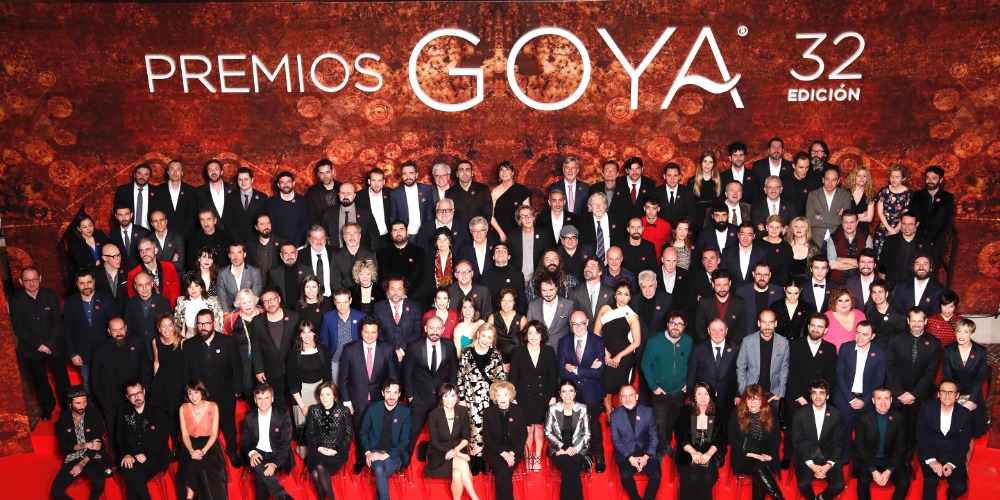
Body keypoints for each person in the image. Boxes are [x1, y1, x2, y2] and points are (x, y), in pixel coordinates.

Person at [181, 310, 243, 468]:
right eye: (200, 323)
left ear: (214, 323)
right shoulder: (189, 345)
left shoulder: (228, 342)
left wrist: (236, 389)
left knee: (228, 426)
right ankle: (207, 453)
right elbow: (186, 372)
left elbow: (237, 367)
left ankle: (232, 452)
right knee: (204, 429)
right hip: (201, 398)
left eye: (207, 323)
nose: (203, 327)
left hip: (225, 394)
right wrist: (189, 395)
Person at [340, 316, 401, 474]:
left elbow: (393, 377)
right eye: (366, 332)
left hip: (380, 400)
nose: (370, 335)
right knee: (361, 429)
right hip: (357, 399)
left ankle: (379, 458)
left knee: (379, 429)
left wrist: (392, 399)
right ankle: (361, 459)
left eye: (373, 332)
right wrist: (346, 401)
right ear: (361, 332)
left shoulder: (387, 349)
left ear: (378, 332)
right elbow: (343, 378)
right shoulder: (350, 349)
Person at [11, 266, 71, 421]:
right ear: (20, 281)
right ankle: (47, 407)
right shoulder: (15, 301)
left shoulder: (50, 295)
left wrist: (48, 344)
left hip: (54, 346)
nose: (32, 283)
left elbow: (56, 322)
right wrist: (39, 345)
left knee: (62, 378)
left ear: (40, 279)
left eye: (34, 279)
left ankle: (67, 406)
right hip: (32, 349)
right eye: (27, 280)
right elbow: (18, 328)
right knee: (40, 381)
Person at [886, 307, 941, 466]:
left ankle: (906, 462)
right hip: (896, 393)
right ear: (908, 321)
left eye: (920, 321)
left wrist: (914, 394)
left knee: (912, 429)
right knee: (892, 427)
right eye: (913, 321)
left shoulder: (934, 343)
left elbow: (930, 373)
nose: (916, 324)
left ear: (925, 321)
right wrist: (900, 392)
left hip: (919, 395)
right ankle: (889, 458)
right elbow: (890, 367)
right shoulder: (895, 338)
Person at [90, 317, 151, 457]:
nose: (119, 333)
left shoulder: (138, 343)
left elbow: (146, 370)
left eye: (121, 329)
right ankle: (117, 461)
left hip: (136, 399)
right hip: (112, 401)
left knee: (139, 431)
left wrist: (143, 394)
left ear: (126, 328)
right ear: (109, 331)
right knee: (115, 434)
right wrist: (106, 402)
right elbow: (95, 379)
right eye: (115, 330)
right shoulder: (100, 350)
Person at [783, 313, 838, 469]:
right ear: (808, 327)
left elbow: (830, 376)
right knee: (792, 427)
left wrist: (820, 398)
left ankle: (812, 456)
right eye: (813, 325)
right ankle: (787, 455)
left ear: (825, 330)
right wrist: (798, 396)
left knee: (815, 429)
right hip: (796, 395)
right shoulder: (794, 344)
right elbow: (788, 372)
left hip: (818, 398)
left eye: (820, 326)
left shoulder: (830, 348)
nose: (815, 329)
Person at [557, 311, 607, 472]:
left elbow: (598, 372)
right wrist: (587, 369)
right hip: (571, 393)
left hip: (592, 391)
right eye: (575, 324)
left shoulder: (598, 341)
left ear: (587, 322)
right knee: (574, 426)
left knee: (593, 425)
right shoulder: (563, 342)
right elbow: (562, 371)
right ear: (570, 325)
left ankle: (599, 456)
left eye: (582, 323)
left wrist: (575, 369)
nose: (578, 327)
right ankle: (581, 456)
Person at [403, 316, 459, 457]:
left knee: (441, 434)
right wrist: (410, 395)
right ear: (425, 328)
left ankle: (440, 463)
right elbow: (407, 372)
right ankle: (403, 462)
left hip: (441, 399)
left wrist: (450, 394)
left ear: (443, 329)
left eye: (438, 328)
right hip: (418, 398)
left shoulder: (449, 345)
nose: (435, 331)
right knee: (412, 433)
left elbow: (454, 370)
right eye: (432, 328)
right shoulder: (414, 346)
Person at [832, 321, 887, 462]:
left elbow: (879, 381)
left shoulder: (880, 354)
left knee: (864, 435)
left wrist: (864, 400)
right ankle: (843, 460)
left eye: (865, 334)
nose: (860, 337)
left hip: (866, 402)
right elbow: (839, 375)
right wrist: (851, 399)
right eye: (857, 333)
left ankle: (859, 462)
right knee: (843, 432)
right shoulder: (846, 348)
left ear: (872, 336)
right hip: (845, 399)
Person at [508, 320, 558, 472]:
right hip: (524, 396)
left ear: (542, 335)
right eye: (530, 333)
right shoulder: (518, 352)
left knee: (540, 428)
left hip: (543, 397)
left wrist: (553, 397)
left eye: (537, 333)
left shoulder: (549, 351)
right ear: (526, 335)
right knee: (528, 429)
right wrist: (513, 398)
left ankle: (537, 456)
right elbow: (513, 377)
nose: (533, 336)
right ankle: (528, 455)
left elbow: (553, 376)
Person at [640, 311, 691, 455]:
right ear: (667, 324)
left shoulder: (688, 341)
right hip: (660, 392)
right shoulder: (654, 341)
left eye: (680, 324)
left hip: (679, 392)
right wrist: (654, 386)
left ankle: (667, 443)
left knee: (672, 421)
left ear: (684, 327)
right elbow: (645, 364)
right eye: (673, 323)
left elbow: (692, 363)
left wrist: (689, 382)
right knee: (659, 423)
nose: (676, 327)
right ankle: (659, 449)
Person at [65, 269, 122, 395]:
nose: (86, 286)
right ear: (77, 284)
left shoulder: (106, 299)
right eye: (82, 283)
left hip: (106, 350)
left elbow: (115, 326)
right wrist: (73, 353)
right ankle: (92, 406)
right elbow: (68, 330)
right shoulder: (70, 302)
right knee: (87, 382)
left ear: (94, 282)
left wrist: (115, 349)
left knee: (110, 380)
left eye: (89, 282)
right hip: (83, 353)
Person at [457, 323, 506, 468]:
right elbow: (461, 376)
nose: (485, 340)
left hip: (491, 399)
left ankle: (486, 458)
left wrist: (501, 398)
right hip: (471, 399)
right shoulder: (467, 352)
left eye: (489, 337)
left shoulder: (496, 354)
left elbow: (501, 377)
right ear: (478, 334)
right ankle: (475, 458)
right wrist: (461, 398)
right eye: (483, 335)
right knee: (474, 429)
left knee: (489, 429)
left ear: (493, 339)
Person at [50, 386, 111, 500]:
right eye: (78, 403)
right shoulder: (64, 417)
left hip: (92, 456)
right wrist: (86, 444)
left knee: (99, 483)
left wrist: (81, 463)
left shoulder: (94, 413)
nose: (82, 406)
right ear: (70, 403)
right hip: (72, 457)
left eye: (84, 402)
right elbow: (63, 447)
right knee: (56, 492)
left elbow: (97, 445)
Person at [916, 380, 972, 500]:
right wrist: (931, 460)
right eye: (943, 392)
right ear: (938, 394)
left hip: (953, 454)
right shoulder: (926, 407)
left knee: (960, 488)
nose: (947, 395)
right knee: (931, 481)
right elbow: (921, 435)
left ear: (957, 395)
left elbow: (964, 443)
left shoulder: (965, 414)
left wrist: (952, 464)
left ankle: (950, 494)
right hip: (930, 452)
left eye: (951, 392)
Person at [852, 386, 910, 500]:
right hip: (868, 459)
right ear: (873, 400)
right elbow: (860, 446)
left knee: (904, 481)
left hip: (890, 459)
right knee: (863, 481)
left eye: (886, 398)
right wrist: (873, 470)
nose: (883, 402)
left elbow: (900, 447)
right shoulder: (863, 418)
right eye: (879, 398)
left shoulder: (899, 418)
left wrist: (889, 471)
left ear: (891, 400)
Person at [728, 384, 784, 500]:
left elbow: (776, 438)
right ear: (745, 400)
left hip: (765, 454)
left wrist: (771, 456)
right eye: (749, 399)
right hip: (744, 455)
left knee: (760, 472)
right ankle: (779, 498)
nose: (753, 402)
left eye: (756, 399)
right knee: (760, 466)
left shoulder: (771, 412)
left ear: (762, 400)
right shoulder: (736, 413)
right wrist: (749, 453)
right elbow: (732, 440)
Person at [792, 379, 845, 500]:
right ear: (810, 396)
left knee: (838, 485)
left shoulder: (836, 413)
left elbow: (838, 442)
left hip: (828, 454)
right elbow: (797, 442)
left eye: (822, 393)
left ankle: (821, 498)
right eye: (814, 393)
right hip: (806, 455)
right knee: (803, 484)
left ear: (827, 396)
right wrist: (812, 466)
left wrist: (828, 465)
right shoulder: (800, 413)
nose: (818, 396)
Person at [360, 378, 412, 500]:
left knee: (380, 472)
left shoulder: (405, 412)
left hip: (395, 453)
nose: (391, 396)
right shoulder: (373, 408)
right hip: (374, 451)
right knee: (380, 469)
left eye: (395, 393)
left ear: (399, 394)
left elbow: (404, 440)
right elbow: (363, 432)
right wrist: (368, 453)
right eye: (388, 392)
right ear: (383, 393)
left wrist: (385, 455)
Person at [595, 279, 642, 414]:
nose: (622, 298)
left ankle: (622, 416)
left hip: (625, 357)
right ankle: (610, 415)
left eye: (626, 295)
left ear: (630, 297)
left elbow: (637, 342)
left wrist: (619, 356)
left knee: (623, 388)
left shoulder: (631, 316)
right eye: (620, 294)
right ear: (615, 294)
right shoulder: (605, 309)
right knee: (606, 386)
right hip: (606, 354)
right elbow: (596, 332)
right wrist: (604, 352)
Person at [176, 380, 228, 500]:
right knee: (193, 464)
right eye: (190, 393)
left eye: (196, 392)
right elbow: (185, 435)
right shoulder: (183, 408)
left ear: (202, 392)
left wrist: (203, 451)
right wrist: (191, 451)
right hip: (191, 445)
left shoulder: (213, 406)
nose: (193, 396)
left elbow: (214, 434)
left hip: (210, 445)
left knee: (203, 466)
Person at [117, 380, 169, 500]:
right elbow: (121, 437)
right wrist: (126, 454)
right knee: (127, 467)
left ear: (144, 392)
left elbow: (163, 438)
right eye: (132, 395)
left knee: (132, 480)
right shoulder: (124, 411)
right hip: (133, 455)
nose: (137, 397)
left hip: (155, 455)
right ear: (127, 397)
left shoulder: (156, 410)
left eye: (139, 393)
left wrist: (147, 454)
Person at [241, 384, 294, 500]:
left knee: (260, 477)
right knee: (257, 463)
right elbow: (245, 442)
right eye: (260, 398)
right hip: (258, 453)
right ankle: (283, 496)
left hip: (277, 454)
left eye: (267, 398)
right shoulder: (249, 417)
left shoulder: (282, 415)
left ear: (272, 399)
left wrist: (274, 463)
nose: (263, 402)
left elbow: (286, 443)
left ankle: (282, 495)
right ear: (255, 400)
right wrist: (252, 453)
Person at [287, 320, 332, 457]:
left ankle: (320, 454)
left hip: (321, 393)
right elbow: (292, 382)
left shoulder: (324, 350)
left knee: (322, 426)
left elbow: (328, 376)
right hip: (302, 394)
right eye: (303, 332)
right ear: (299, 335)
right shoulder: (294, 353)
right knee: (303, 429)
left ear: (314, 333)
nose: (307, 335)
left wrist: (327, 398)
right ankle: (305, 456)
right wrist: (302, 406)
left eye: (310, 332)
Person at [426, 383, 478, 500]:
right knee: (463, 463)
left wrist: (456, 450)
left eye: (452, 396)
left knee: (457, 474)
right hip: (439, 453)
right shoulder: (434, 415)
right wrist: (459, 454)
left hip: (457, 448)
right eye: (446, 396)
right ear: (441, 397)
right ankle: (475, 498)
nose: (449, 400)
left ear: (457, 397)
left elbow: (466, 437)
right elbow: (435, 442)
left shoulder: (462, 411)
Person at [251, 288, 301, 409]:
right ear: (263, 304)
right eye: (266, 301)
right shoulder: (257, 321)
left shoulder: (294, 316)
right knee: (278, 401)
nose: (270, 303)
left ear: (279, 299)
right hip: (271, 368)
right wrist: (258, 369)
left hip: (292, 366)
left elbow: (300, 341)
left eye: (272, 299)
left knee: (296, 399)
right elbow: (255, 347)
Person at [610, 384, 662, 500]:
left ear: (637, 397)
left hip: (646, 451)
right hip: (626, 453)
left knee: (656, 475)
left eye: (631, 395)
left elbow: (654, 437)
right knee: (625, 476)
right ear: (620, 398)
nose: (627, 399)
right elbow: (616, 440)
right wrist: (630, 457)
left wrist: (646, 456)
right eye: (624, 396)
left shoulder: (648, 412)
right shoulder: (615, 416)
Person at [675, 382, 726, 500]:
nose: (703, 397)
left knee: (707, 478)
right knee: (692, 477)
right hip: (688, 453)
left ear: (711, 396)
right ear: (694, 396)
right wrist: (693, 452)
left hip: (710, 455)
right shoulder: (684, 411)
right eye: (699, 394)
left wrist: (708, 454)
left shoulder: (719, 413)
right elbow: (681, 437)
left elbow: (720, 438)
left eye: (706, 394)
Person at [736, 310, 789, 421]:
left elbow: (784, 369)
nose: (767, 327)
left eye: (771, 322)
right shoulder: (747, 341)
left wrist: (780, 392)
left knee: (770, 427)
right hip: (751, 394)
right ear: (759, 323)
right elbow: (740, 367)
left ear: (775, 323)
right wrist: (743, 391)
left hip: (772, 394)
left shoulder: (783, 343)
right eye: (764, 322)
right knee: (749, 426)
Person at [304, 381, 353, 500]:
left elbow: (348, 435)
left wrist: (336, 450)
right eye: (321, 395)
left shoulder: (343, 411)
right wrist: (319, 447)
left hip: (337, 452)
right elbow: (309, 434)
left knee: (318, 468)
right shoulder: (314, 410)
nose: (324, 398)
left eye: (328, 394)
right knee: (316, 469)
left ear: (334, 395)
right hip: (318, 450)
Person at [545, 380, 591, 499]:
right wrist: (564, 448)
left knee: (569, 469)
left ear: (575, 393)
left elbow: (587, 434)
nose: (567, 395)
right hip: (557, 449)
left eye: (570, 391)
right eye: (564, 391)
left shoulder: (583, 408)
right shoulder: (553, 409)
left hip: (578, 448)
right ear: (560, 394)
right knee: (572, 467)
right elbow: (548, 432)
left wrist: (574, 449)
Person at [688, 318, 742, 420]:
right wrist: (692, 395)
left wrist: (739, 394)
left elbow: (741, 372)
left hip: (728, 398)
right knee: (703, 428)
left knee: (725, 426)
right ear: (708, 331)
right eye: (713, 330)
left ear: (726, 331)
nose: (717, 333)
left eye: (721, 330)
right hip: (704, 399)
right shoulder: (698, 348)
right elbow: (692, 374)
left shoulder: (736, 348)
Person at [942, 318, 987, 437]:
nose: (961, 335)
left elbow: (980, 377)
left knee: (973, 432)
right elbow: (948, 376)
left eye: (966, 332)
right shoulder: (948, 350)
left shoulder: (981, 351)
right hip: (955, 394)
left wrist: (971, 400)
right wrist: (954, 397)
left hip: (974, 394)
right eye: (959, 331)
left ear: (972, 334)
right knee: (953, 432)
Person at [482, 381, 528, 499]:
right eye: (499, 395)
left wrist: (512, 453)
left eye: (505, 395)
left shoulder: (519, 411)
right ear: (495, 397)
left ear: (510, 395)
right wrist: (503, 453)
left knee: (503, 470)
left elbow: (523, 435)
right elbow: (487, 437)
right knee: (503, 469)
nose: (502, 398)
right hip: (494, 451)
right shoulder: (488, 412)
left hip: (514, 451)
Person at [149, 313, 183, 455]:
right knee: (168, 416)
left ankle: (184, 444)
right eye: (163, 326)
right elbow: (156, 362)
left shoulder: (182, 342)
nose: (167, 329)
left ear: (174, 326)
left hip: (179, 382)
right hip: (163, 382)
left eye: (170, 325)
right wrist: (156, 381)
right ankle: (174, 445)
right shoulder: (155, 342)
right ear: (159, 328)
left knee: (180, 414)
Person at [910, 165, 955, 266]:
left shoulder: (947, 198)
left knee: (931, 267)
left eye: (933, 178)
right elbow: (911, 216)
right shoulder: (917, 195)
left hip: (935, 240)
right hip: (916, 237)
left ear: (940, 180)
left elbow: (947, 224)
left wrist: (933, 241)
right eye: (927, 178)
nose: (930, 181)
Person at [325, 178, 384, 252]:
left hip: (361, 255)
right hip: (336, 255)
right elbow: (323, 235)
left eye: (349, 193)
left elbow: (375, 235)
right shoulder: (329, 213)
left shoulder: (365, 212)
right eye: (343, 193)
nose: (345, 196)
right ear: (338, 194)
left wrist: (372, 254)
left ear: (354, 195)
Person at [321, 288, 367, 382]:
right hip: (335, 360)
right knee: (336, 388)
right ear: (334, 302)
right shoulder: (328, 317)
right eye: (339, 302)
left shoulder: (361, 317)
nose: (342, 306)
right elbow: (324, 340)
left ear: (350, 301)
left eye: (345, 302)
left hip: (356, 360)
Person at [373, 274, 423, 360]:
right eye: (392, 289)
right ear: (387, 290)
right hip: (386, 355)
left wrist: (402, 350)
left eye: (399, 289)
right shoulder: (378, 308)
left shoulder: (415, 307)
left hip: (409, 355)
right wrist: (391, 351)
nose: (396, 293)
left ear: (404, 290)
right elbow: (378, 332)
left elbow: (417, 333)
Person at [376, 221, 428, 302]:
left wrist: (407, 295)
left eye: (401, 230)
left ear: (407, 232)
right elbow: (381, 277)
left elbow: (422, 278)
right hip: (389, 298)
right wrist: (391, 295)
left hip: (413, 299)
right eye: (395, 230)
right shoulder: (382, 253)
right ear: (391, 234)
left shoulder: (419, 252)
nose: (398, 233)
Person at [694, 269, 748, 343]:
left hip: (733, 346)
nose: (722, 289)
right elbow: (699, 328)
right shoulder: (704, 302)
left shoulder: (740, 302)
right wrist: (709, 345)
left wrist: (732, 346)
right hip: (708, 345)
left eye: (725, 285)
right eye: (718, 285)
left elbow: (742, 328)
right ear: (713, 285)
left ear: (730, 283)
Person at [127, 237, 182, 308]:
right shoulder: (133, 274)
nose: (144, 253)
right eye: (141, 251)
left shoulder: (169, 267)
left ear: (155, 250)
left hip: (168, 310)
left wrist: (168, 310)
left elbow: (175, 292)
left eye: (147, 249)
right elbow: (134, 301)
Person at [879, 212, 932, 286]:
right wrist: (882, 285)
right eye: (904, 224)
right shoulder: (890, 241)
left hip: (915, 286)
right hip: (893, 285)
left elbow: (929, 268)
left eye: (910, 224)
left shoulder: (925, 243)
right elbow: (882, 266)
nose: (907, 227)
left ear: (917, 224)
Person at [736, 262, 785, 337]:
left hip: (771, 337)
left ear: (770, 275)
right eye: (759, 274)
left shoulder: (778, 292)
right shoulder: (742, 292)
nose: (762, 278)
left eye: (765, 275)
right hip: (748, 337)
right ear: (753, 274)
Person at [508, 204, 554, 285]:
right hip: (518, 279)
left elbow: (547, 257)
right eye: (523, 216)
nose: (527, 218)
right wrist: (519, 279)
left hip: (539, 279)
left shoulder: (543, 235)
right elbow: (510, 260)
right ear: (519, 220)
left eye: (529, 215)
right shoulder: (513, 236)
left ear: (534, 217)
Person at [151, 159, 198, 237]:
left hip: (186, 236)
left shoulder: (191, 190)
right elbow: (156, 212)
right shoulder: (158, 190)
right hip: (164, 235)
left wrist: (180, 235)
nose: (175, 172)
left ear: (182, 172)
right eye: (172, 169)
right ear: (168, 172)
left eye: (178, 170)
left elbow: (193, 216)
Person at [389, 160, 434, 242]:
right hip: (406, 236)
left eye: (411, 173)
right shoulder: (395, 194)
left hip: (424, 234)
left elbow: (429, 213)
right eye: (405, 174)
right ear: (402, 176)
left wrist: (429, 231)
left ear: (416, 174)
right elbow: (393, 217)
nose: (408, 177)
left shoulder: (426, 190)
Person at [805, 168, 852, 246]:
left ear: (838, 181)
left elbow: (845, 221)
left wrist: (821, 217)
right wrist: (836, 220)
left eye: (834, 180)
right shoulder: (813, 195)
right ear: (823, 180)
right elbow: (810, 220)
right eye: (827, 179)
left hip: (837, 241)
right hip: (816, 241)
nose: (830, 183)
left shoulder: (845, 195)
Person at [125, 270, 173, 344]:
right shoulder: (130, 304)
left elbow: (170, 326)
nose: (144, 288)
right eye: (140, 285)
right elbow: (128, 328)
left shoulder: (163, 302)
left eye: (147, 284)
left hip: (159, 344)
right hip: (138, 345)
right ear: (135, 287)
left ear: (152, 284)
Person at [874, 164, 912, 256]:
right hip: (884, 227)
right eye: (892, 176)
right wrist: (889, 228)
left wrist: (896, 230)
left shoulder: (908, 194)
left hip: (901, 229)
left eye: (897, 177)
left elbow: (906, 214)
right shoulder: (883, 190)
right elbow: (880, 212)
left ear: (903, 178)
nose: (894, 179)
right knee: (879, 256)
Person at [489, 161, 532, 243]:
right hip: (499, 232)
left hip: (518, 232)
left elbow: (528, 213)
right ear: (499, 173)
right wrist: (501, 233)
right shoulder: (495, 192)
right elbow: (490, 216)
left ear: (512, 172)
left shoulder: (522, 190)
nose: (504, 172)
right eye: (501, 170)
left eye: (507, 169)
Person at [526, 275, 574, 348]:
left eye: (551, 290)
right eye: (544, 291)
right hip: (539, 348)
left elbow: (573, 330)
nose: (548, 294)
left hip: (561, 348)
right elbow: (528, 329)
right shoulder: (533, 305)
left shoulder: (568, 305)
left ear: (557, 288)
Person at [567, 256, 613, 333]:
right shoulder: (575, 292)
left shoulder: (609, 292)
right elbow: (571, 318)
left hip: (603, 336)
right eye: (586, 266)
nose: (587, 269)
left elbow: (612, 319)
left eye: (592, 266)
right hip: (582, 335)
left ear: (600, 272)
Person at [216, 241, 263, 315]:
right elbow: (222, 296)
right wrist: (227, 314)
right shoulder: (222, 273)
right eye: (232, 253)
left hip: (250, 311)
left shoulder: (254, 272)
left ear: (244, 254)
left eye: (239, 253)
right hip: (230, 312)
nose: (236, 257)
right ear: (229, 255)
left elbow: (255, 295)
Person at [224, 166, 269, 243]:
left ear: (252, 180)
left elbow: (265, 221)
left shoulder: (262, 198)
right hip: (236, 243)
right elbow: (227, 221)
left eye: (246, 179)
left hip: (257, 242)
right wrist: (235, 240)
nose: (243, 182)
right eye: (240, 180)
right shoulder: (231, 197)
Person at [827, 210, 873, 284]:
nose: (849, 225)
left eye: (852, 222)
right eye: (846, 222)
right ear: (842, 222)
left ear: (857, 222)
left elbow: (868, 262)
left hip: (860, 280)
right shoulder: (833, 238)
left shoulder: (866, 237)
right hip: (838, 280)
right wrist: (859, 263)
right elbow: (832, 264)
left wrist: (842, 260)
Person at [577, 191, 624, 263]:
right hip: (591, 264)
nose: (598, 207)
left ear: (605, 205)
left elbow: (621, 244)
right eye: (595, 204)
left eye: (601, 204)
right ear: (590, 207)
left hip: (612, 263)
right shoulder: (583, 223)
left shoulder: (617, 222)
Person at [266, 170, 310, 246]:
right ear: (278, 185)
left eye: (288, 182)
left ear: (293, 183)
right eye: (282, 182)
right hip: (279, 246)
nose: (285, 185)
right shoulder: (271, 202)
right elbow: (272, 226)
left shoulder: (302, 201)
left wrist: (299, 243)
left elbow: (306, 225)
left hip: (300, 245)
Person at [331, 222, 379, 289]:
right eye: (348, 234)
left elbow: (374, 278)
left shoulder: (370, 254)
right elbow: (335, 282)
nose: (352, 237)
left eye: (355, 233)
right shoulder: (337, 256)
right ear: (344, 237)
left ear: (360, 236)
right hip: (345, 293)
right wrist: (344, 294)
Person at [355, 167, 393, 248]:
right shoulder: (359, 196)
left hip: (387, 238)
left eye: (379, 181)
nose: (376, 184)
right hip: (368, 240)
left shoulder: (390, 193)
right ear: (369, 181)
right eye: (374, 180)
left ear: (383, 182)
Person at [488, 288, 526, 363]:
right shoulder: (492, 318)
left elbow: (525, 346)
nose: (506, 304)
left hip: (517, 361)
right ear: (500, 301)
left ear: (514, 302)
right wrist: (499, 363)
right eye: (503, 300)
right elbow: (488, 342)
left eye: (510, 301)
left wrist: (514, 364)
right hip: (496, 360)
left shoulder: (522, 319)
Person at [298, 225, 337, 299]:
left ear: (326, 239)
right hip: (310, 299)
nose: (319, 242)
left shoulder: (336, 253)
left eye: (322, 238)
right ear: (309, 240)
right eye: (315, 238)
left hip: (333, 299)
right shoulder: (300, 256)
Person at [867, 279, 907, 349]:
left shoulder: (898, 316)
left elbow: (900, 341)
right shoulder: (869, 310)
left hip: (888, 352)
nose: (877, 296)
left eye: (880, 292)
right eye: (874, 292)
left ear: (887, 294)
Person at [656, 162, 699, 228]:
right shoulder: (656, 192)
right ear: (664, 176)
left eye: (675, 176)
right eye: (669, 175)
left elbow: (691, 215)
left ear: (679, 177)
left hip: (681, 231)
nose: (672, 179)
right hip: (661, 230)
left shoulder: (687, 193)